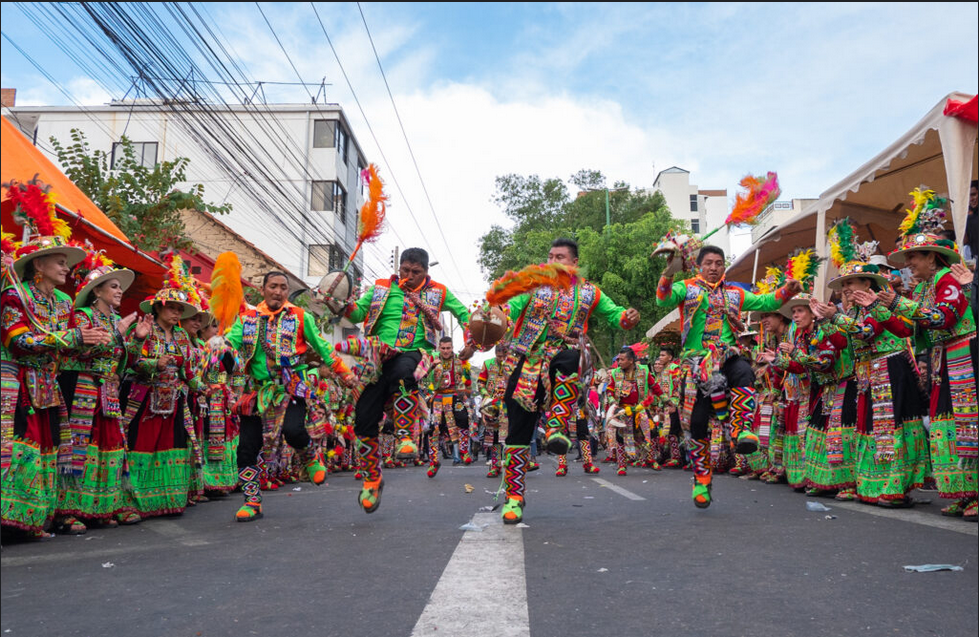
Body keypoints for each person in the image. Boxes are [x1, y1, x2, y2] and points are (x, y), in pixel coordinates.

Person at [497, 238, 640, 524]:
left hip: (564, 356)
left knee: (573, 358)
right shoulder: (532, 284)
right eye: (549, 256)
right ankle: (514, 495)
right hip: (526, 361)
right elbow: (511, 306)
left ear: (574, 263)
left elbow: (615, 315)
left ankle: (556, 426)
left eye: (559, 257)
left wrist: (628, 317)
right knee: (518, 431)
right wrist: (499, 314)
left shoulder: (589, 292)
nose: (552, 262)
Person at [654, 243, 801, 508]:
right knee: (697, 423)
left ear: (723, 266)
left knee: (745, 371)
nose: (713, 267)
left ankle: (742, 430)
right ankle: (701, 478)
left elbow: (766, 301)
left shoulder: (735, 293)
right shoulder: (687, 287)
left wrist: (787, 290)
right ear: (700, 266)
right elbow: (662, 298)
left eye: (718, 263)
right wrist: (669, 273)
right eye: (708, 263)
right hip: (697, 362)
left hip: (727, 354)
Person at [344, 248, 471, 514]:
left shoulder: (438, 292)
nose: (409, 276)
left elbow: (463, 313)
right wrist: (340, 300)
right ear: (399, 267)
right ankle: (372, 478)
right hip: (376, 355)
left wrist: (474, 338)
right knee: (364, 419)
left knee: (404, 375)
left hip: (413, 352)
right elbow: (356, 315)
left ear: (426, 272)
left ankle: (405, 437)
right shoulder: (380, 287)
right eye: (405, 270)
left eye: (416, 272)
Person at [811, 222, 929, 507]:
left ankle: (896, 487)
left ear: (868, 284)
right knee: (873, 429)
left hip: (890, 370)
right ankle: (875, 484)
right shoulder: (858, 310)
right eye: (843, 285)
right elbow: (843, 343)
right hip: (870, 374)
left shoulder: (876, 305)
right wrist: (829, 321)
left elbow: (867, 332)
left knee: (891, 429)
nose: (846, 289)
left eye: (851, 283)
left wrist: (835, 318)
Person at [876, 190, 977, 520]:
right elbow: (907, 329)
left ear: (932, 258)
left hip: (963, 352)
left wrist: (896, 303)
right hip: (941, 358)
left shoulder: (948, 280)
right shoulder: (920, 288)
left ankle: (975, 491)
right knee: (945, 423)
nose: (908, 264)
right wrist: (883, 307)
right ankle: (963, 491)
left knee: (966, 423)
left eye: (913, 257)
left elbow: (943, 317)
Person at [224, 271, 353, 522]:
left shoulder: (301, 317)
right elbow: (230, 344)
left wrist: (344, 373)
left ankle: (310, 457)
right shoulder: (247, 319)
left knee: (293, 430)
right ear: (263, 290)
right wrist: (216, 349)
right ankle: (252, 501)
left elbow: (323, 347)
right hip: (257, 392)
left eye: (283, 287)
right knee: (246, 448)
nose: (278, 291)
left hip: (291, 387)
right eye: (273, 286)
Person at [1, 228, 105, 537]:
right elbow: (16, 339)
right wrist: (73, 337)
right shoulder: (15, 295)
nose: (66, 269)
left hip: (47, 384)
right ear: (38, 265)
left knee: (47, 449)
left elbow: (71, 344)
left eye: (66, 263)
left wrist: (91, 341)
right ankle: (7, 520)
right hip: (16, 381)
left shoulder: (63, 301)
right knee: (18, 447)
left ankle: (29, 519)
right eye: (59, 262)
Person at [57, 254, 142, 532]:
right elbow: (81, 350)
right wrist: (119, 332)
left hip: (108, 391)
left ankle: (103, 506)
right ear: (97, 291)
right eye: (114, 286)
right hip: (82, 387)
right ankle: (68, 511)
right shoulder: (83, 316)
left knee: (110, 447)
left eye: (120, 287)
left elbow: (124, 361)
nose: (119, 292)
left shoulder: (117, 320)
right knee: (80, 448)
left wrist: (137, 340)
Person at [121, 270, 201, 519]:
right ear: (158, 308)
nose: (177, 313)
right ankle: (132, 502)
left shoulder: (182, 336)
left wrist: (203, 387)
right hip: (144, 399)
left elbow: (188, 371)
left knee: (171, 445)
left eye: (180, 309)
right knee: (140, 446)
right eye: (172, 308)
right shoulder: (143, 328)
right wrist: (153, 363)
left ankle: (167, 499)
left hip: (174, 401)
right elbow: (129, 362)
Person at [605, 346, 664, 476]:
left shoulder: (644, 371)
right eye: (618, 360)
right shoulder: (616, 373)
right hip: (623, 410)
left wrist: (666, 399)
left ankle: (650, 458)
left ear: (631, 360)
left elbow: (655, 387)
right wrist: (612, 401)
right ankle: (621, 465)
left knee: (652, 432)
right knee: (621, 437)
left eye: (621, 359)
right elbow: (609, 389)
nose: (619, 362)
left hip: (640, 407)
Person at [425, 336, 473, 472]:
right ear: (439, 348)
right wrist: (432, 366)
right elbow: (423, 376)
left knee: (463, 419)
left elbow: (467, 379)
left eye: (448, 348)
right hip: (438, 396)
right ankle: (433, 460)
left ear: (452, 348)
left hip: (455, 395)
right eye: (443, 348)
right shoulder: (433, 360)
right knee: (434, 427)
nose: (446, 351)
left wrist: (466, 394)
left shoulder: (459, 360)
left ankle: (464, 451)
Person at [477, 343, 509, 478]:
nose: (501, 358)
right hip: (492, 405)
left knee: (509, 437)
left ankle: (511, 466)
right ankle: (495, 466)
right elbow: (480, 382)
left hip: (508, 406)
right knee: (494, 437)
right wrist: (486, 395)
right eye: (498, 356)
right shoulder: (488, 363)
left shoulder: (512, 364)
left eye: (503, 356)